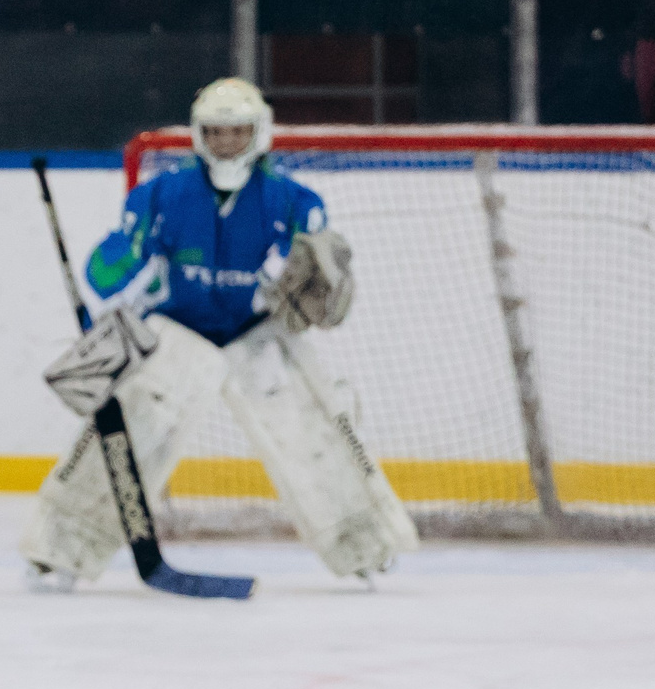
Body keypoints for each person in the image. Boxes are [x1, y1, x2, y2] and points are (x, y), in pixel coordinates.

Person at [21, 76, 415, 586]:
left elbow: (321, 292)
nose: (226, 142)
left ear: (259, 133)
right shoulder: (159, 196)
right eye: (215, 132)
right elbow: (103, 277)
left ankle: (364, 545)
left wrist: (323, 280)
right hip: (176, 330)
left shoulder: (294, 202)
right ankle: (61, 547)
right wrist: (127, 249)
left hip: (257, 332)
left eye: (237, 131)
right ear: (198, 134)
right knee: (134, 426)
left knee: (311, 429)